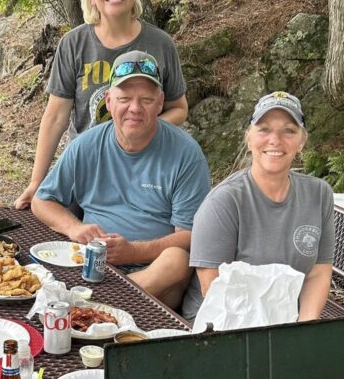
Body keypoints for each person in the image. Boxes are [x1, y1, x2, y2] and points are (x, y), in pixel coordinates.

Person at [31, 51, 210, 308]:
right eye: (125, 98)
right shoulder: (87, 145)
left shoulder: (186, 153)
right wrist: (75, 228)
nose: (134, 109)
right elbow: (42, 201)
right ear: (109, 101)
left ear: (160, 103)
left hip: (153, 273)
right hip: (90, 264)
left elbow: (191, 235)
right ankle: (95, 304)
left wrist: (133, 252)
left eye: (146, 99)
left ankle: (101, 305)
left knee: (176, 260)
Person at [13, 0, 188, 210]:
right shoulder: (74, 43)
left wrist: (136, 132)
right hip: (87, 169)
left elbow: (179, 108)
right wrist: (36, 181)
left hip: (145, 169)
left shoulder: (160, 43)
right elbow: (55, 117)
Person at [182, 92, 335, 321]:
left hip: (286, 317)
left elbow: (318, 273)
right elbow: (211, 287)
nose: (275, 139)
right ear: (249, 138)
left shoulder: (319, 194)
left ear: (302, 141)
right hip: (223, 322)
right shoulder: (224, 201)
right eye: (264, 129)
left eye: (289, 130)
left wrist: (305, 328)